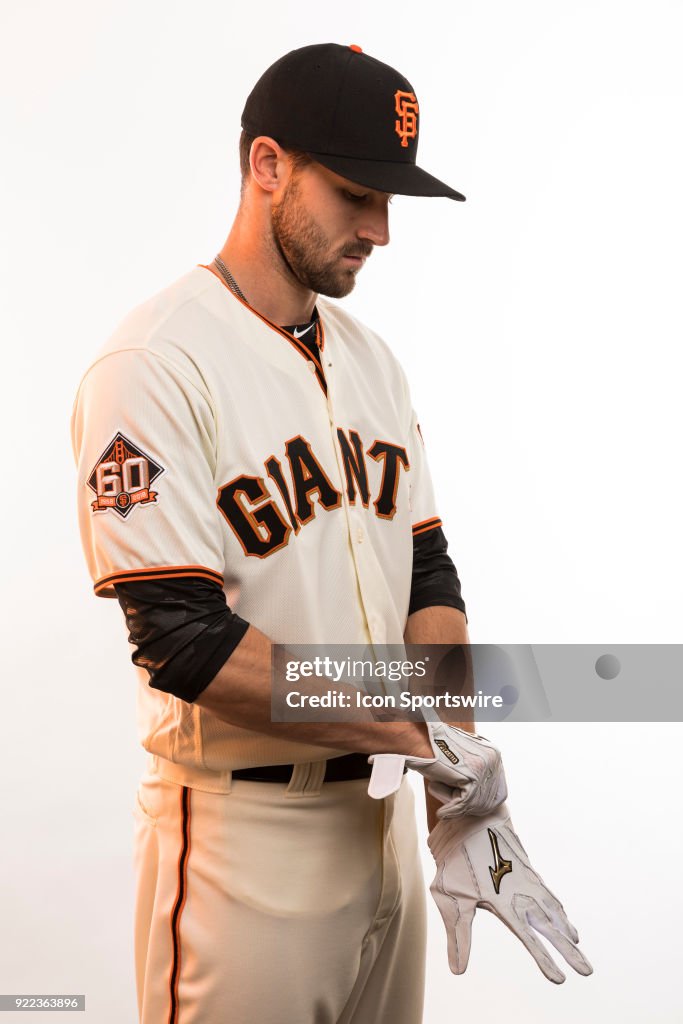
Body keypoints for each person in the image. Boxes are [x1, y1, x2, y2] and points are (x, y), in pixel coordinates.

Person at [71, 42, 591, 1024]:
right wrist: (428, 737)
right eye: (356, 194)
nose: (381, 230)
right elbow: (183, 640)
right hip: (237, 842)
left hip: (383, 833)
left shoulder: (372, 363)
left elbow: (425, 578)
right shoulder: (153, 361)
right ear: (267, 165)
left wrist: (456, 800)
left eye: (389, 201)